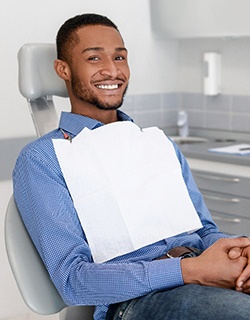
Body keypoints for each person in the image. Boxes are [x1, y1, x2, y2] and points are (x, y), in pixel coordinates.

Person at [13, 13, 250, 320]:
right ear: (63, 69)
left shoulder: (157, 144)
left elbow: (204, 231)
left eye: (120, 57)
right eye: (94, 58)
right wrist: (190, 271)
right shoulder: (43, 159)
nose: (112, 69)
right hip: (136, 301)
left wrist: (237, 254)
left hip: (204, 274)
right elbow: (73, 281)